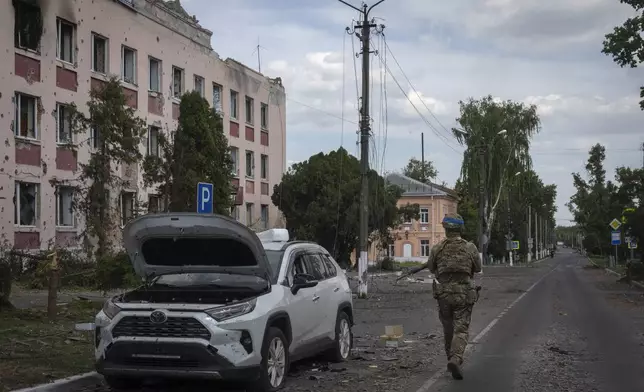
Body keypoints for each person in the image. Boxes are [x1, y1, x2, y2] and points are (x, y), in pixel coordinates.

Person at [399, 213, 482, 380]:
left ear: (445, 229)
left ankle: (449, 358)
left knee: (448, 328)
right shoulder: (470, 247)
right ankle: (455, 358)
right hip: (464, 294)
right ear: (461, 228)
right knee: (461, 329)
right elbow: (478, 268)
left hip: (443, 294)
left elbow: (431, 268)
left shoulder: (437, 248)